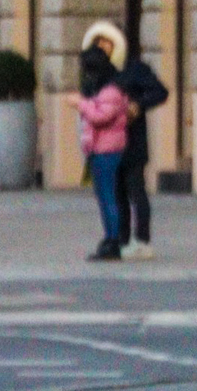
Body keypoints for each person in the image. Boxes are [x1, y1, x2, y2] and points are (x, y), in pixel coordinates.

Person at [77, 23, 131, 261]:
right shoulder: (104, 87)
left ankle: (114, 240)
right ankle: (110, 237)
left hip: (107, 150)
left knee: (108, 196)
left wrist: (81, 104)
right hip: (100, 149)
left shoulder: (110, 89)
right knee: (104, 195)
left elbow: (101, 117)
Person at [112, 38, 169, 260]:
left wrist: (139, 104)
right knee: (117, 194)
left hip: (132, 141)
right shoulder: (102, 72)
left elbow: (160, 92)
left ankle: (142, 240)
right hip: (109, 143)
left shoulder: (136, 69)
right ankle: (121, 240)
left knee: (136, 191)